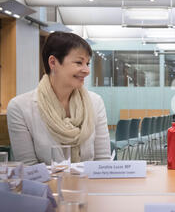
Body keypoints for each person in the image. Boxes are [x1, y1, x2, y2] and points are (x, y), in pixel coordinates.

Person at [7, 31, 111, 165]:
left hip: (89, 185)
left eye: (88, 64)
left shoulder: (95, 102)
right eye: (79, 62)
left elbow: (103, 162)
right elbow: (29, 169)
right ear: (53, 62)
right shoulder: (20, 108)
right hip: (45, 186)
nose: (86, 70)